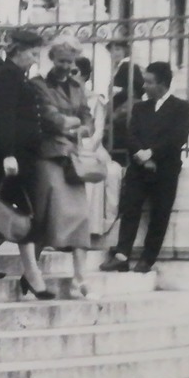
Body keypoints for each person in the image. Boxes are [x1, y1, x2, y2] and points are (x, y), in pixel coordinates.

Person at [0, 27, 55, 299]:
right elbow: (5, 118)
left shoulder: (17, 76)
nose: (35, 58)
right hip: (11, 156)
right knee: (25, 214)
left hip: (22, 156)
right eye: (32, 52)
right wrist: (8, 155)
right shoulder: (7, 76)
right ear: (17, 51)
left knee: (12, 213)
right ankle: (33, 277)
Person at [100, 61, 189, 274]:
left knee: (159, 215)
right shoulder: (140, 107)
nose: (144, 86)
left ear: (162, 84)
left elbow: (177, 138)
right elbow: (131, 134)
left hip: (165, 170)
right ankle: (121, 256)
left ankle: (147, 259)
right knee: (130, 209)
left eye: (149, 82)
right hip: (138, 168)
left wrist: (151, 153)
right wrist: (140, 154)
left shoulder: (181, 107)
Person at [30, 40, 94, 296]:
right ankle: (31, 272)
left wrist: (82, 125)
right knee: (46, 216)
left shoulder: (79, 87)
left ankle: (80, 277)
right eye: (61, 61)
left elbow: (88, 117)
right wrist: (74, 123)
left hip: (72, 158)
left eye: (70, 62)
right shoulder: (39, 85)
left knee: (80, 215)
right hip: (49, 156)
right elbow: (50, 118)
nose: (66, 66)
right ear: (52, 59)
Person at [75, 55, 119, 246]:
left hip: (90, 148)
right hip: (68, 147)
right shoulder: (61, 98)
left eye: (74, 72)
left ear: (85, 75)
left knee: (92, 172)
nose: (70, 76)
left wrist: (84, 148)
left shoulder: (95, 101)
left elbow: (98, 133)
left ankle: (89, 229)